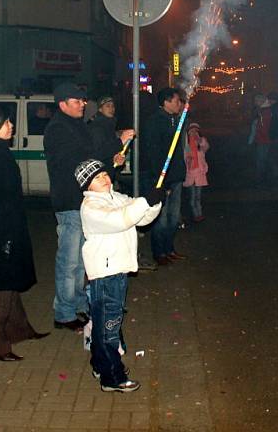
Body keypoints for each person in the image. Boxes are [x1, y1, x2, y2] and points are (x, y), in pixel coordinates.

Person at [44, 82, 134, 332]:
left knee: (83, 260)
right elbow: (81, 156)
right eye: (77, 101)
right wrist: (117, 141)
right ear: (62, 104)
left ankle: (79, 304)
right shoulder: (58, 129)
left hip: (83, 201)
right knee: (69, 261)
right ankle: (64, 313)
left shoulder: (76, 125)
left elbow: (91, 161)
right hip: (70, 201)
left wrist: (111, 162)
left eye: (83, 101)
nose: (83, 105)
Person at [74, 158, 164, 392]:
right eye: (96, 178)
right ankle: (111, 377)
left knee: (106, 324)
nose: (103, 179)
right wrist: (144, 202)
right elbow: (120, 220)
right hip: (106, 274)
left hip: (118, 271)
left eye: (104, 174)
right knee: (109, 328)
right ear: (87, 186)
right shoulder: (91, 207)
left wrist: (153, 202)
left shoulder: (117, 198)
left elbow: (141, 218)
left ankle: (99, 364)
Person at [0, 102, 49, 361]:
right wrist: (5, 237)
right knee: (0, 286)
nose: (11, 126)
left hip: (7, 225)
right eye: (6, 122)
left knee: (10, 280)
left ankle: (19, 329)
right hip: (0, 229)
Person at [141, 87, 187, 266]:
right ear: (166, 102)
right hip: (161, 179)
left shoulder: (174, 120)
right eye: (176, 101)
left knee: (174, 218)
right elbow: (155, 154)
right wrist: (162, 182)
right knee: (162, 218)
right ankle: (159, 252)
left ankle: (169, 249)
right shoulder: (155, 122)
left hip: (175, 176)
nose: (179, 104)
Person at [183, 123, 209, 222]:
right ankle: (195, 215)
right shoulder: (186, 145)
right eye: (191, 131)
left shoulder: (201, 143)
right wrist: (188, 160)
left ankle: (199, 214)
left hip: (199, 174)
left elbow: (205, 147)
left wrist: (199, 140)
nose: (193, 133)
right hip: (190, 175)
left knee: (198, 197)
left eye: (195, 131)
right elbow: (185, 158)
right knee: (192, 197)